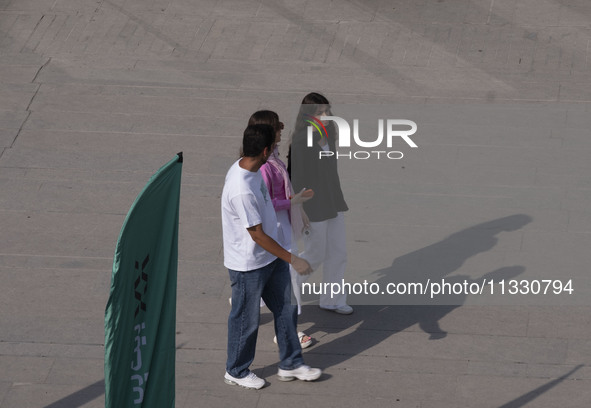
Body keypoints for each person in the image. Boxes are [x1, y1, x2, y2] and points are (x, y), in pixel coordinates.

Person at [221, 124, 322, 389]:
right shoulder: (241, 187)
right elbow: (257, 235)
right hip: (249, 264)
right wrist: (293, 259)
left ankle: (291, 363)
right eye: (274, 146)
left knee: (287, 309)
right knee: (246, 320)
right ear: (265, 150)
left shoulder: (252, 169)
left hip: (270, 258)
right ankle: (236, 370)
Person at [248, 110, 314, 348]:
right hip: (276, 229)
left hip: (284, 224)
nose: (281, 130)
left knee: (279, 277)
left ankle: (248, 300)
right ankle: (286, 332)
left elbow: (286, 186)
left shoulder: (273, 157)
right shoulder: (265, 167)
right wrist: (293, 203)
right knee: (290, 279)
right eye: (277, 127)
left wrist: (299, 209)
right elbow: (266, 202)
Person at [288, 92, 353, 315]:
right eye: (319, 112)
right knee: (315, 254)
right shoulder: (300, 142)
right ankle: (284, 287)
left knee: (338, 252)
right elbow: (296, 178)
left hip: (333, 201)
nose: (326, 115)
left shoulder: (329, 132)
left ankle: (332, 300)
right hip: (313, 206)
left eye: (327, 110)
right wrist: (300, 209)